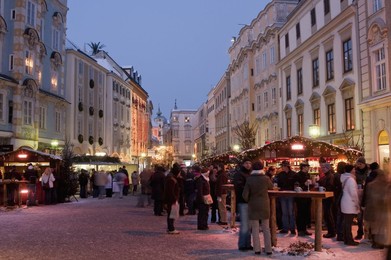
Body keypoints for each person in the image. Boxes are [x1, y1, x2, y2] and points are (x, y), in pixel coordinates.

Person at [242, 161, 273, 256]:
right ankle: (268, 249)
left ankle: (257, 249)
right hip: (264, 204)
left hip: (253, 205)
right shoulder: (266, 178)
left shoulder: (249, 179)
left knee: (255, 228)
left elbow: (245, 195)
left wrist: (248, 200)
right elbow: (271, 187)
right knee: (266, 228)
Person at [233, 158, 253, 251]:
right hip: (243, 201)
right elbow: (239, 188)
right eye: (246, 163)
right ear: (243, 164)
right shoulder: (239, 174)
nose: (248, 165)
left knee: (249, 224)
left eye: (249, 163)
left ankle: (248, 243)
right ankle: (242, 244)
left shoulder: (251, 174)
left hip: (250, 201)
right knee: (245, 224)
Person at [340, 164, 360, 246]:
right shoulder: (351, 180)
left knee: (346, 222)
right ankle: (349, 240)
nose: (355, 171)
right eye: (354, 169)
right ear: (351, 170)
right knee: (348, 223)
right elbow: (354, 194)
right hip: (350, 203)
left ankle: (346, 239)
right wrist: (357, 204)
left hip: (345, 202)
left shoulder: (345, 178)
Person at [276, 160, 296, 235]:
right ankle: (285, 228)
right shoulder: (280, 174)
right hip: (282, 194)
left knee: (290, 212)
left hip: (290, 194)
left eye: (283, 166)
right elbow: (277, 184)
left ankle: (292, 228)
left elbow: (296, 183)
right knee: (284, 212)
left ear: (286, 166)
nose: (282, 167)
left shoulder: (293, 174)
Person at [294, 161, 312, 236]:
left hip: (307, 196)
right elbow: (296, 186)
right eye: (307, 166)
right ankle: (300, 229)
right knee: (301, 213)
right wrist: (304, 185)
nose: (308, 168)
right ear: (303, 167)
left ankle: (304, 229)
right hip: (300, 198)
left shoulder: (307, 174)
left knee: (306, 213)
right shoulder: (297, 175)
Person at [319, 162, 336, 238]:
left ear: (328, 168)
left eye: (324, 168)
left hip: (328, 198)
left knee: (328, 214)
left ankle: (331, 232)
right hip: (327, 198)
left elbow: (330, 187)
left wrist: (323, 188)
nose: (322, 169)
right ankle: (331, 231)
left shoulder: (330, 176)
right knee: (327, 215)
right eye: (322, 168)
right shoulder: (326, 176)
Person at [163, 164, 180, 234]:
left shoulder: (171, 178)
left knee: (171, 214)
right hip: (171, 200)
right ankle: (171, 228)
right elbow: (170, 191)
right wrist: (174, 199)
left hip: (170, 199)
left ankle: (170, 228)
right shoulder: (172, 180)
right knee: (171, 214)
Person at [354, 156, 369, 240]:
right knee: (359, 216)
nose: (359, 165)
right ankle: (360, 232)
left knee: (367, 216)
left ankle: (367, 233)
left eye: (360, 164)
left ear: (364, 163)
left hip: (367, 195)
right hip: (359, 194)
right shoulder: (355, 171)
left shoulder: (369, 171)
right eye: (358, 163)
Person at [335, 161, 347, 241]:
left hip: (337, 197)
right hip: (341, 197)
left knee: (339, 216)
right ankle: (340, 234)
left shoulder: (336, 175)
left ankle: (339, 233)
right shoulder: (341, 176)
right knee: (341, 216)